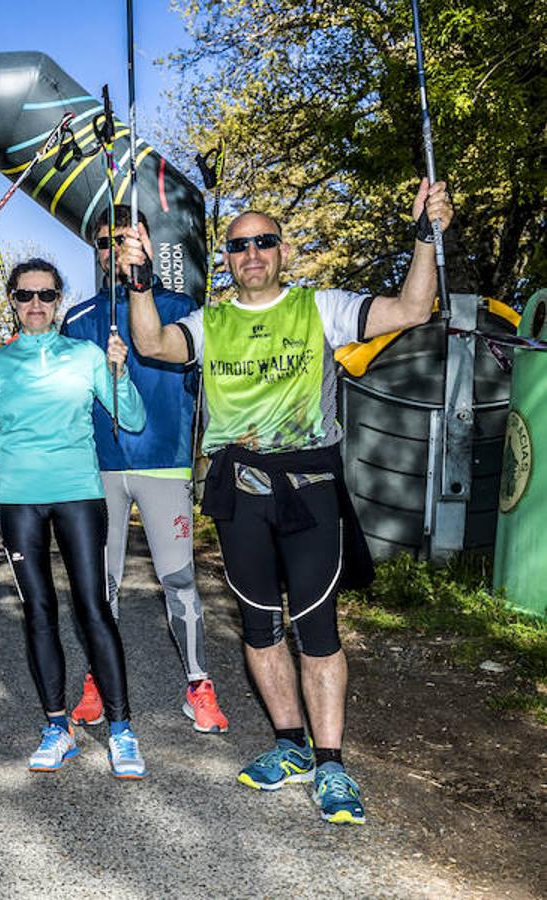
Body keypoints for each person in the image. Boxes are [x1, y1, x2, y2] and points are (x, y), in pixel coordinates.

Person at [123, 179, 455, 825]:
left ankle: (331, 763)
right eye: (240, 245)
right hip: (240, 496)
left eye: (264, 242)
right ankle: (289, 745)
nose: (252, 253)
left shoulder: (320, 307)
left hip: (308, 493)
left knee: (317, 630)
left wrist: (424, 234)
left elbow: (414, 309)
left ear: (282, 250)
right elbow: (152, 345)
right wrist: (138, 283)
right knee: (258, 627)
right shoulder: (209, 321)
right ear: (226, 259)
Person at [0, 258, 149, 778]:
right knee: (39, 611)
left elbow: (131, 418)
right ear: (12, 302)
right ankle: (56, 727)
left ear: (59, 297)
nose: (36, 305)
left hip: (78, 493)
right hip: (19, 497)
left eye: (46, 295)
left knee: (94, 608)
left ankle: (120, 729)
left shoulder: (86, 354)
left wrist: (119, 371)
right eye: (25, 296)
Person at [60, 207, 229, 734]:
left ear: (149, 244)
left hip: (164, 462)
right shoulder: (79, 316)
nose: (116, 250)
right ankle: (97, 681)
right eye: (106, 243)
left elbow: (211, 384)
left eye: (127, 240)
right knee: (100, 583)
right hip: (100, 467)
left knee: (178, 578)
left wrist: (209, 451)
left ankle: (199, 685)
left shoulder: (183, 308)